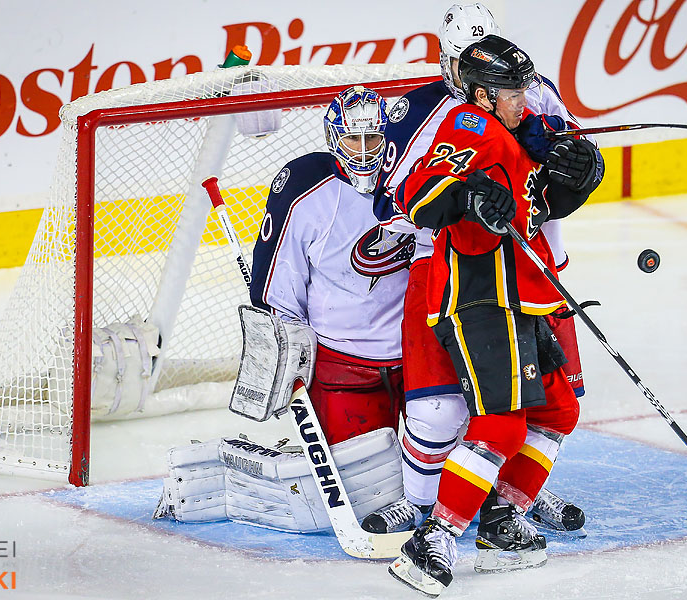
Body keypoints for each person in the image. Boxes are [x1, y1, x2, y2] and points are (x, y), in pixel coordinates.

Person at [363, 2, 587, 547]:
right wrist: (463, 194)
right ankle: (433, 515)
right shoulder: (450, 117)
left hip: (533, 277)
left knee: (554, 406)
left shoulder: (529, 102)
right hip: (474, 282)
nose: (519, 97)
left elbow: (552, 190)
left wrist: (575, 168)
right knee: (451, 412)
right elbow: (402, 195)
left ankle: (504, 500)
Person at [248, 85, 414, 446]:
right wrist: (288, 348)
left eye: (374, 136)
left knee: (448, 467)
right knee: (363, 480)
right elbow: (278, 282)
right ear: (332, 137)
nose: (366, 149)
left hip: (419, 354)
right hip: (342, 364)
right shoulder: (305, 190)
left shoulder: (414, 177)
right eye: (354, 138)